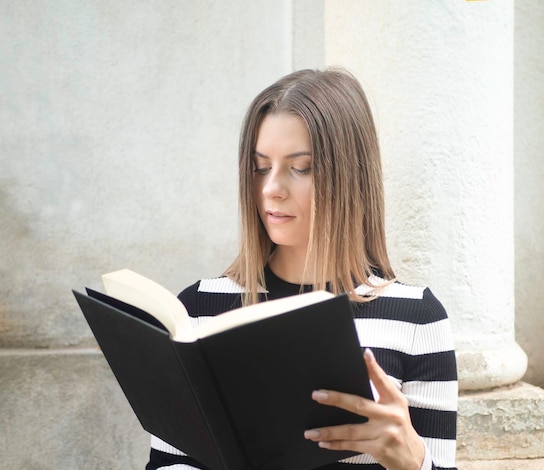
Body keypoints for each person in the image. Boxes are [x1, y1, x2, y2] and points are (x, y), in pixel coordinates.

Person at [147, 68, 458, 470]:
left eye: (301, 167)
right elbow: (169, 461)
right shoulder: (200, 307)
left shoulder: (416, 317)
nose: (271, 188)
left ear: (349, 177)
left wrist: (413, 461)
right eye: (260, 166)